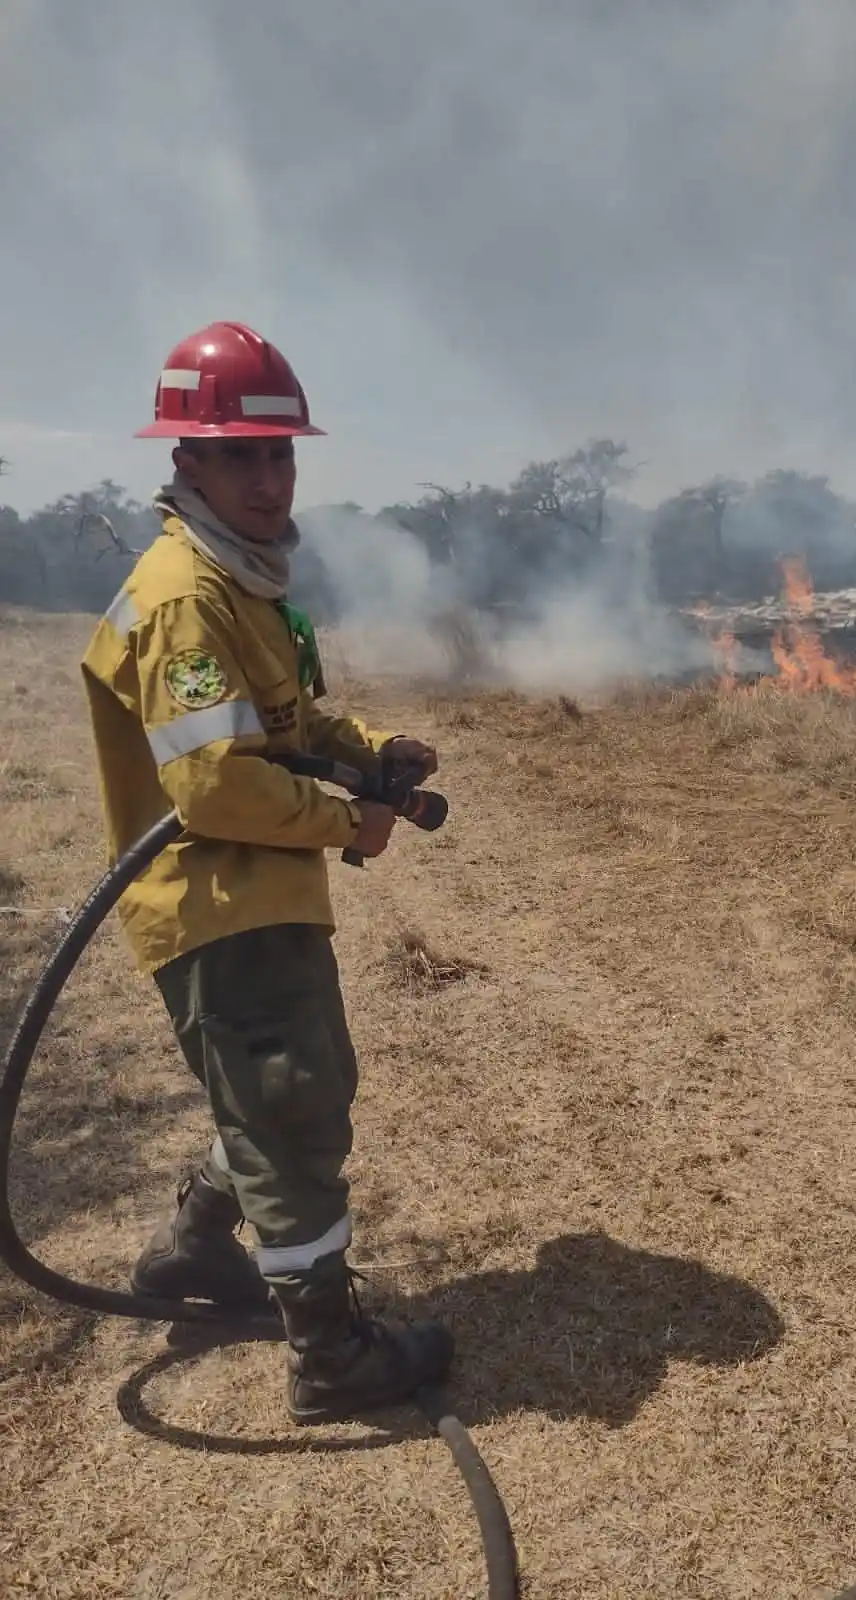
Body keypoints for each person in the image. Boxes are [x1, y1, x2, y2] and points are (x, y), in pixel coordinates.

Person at [80, 320, 453, 1424]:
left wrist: (368, 753)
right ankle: (330, 1356)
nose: (268, 475)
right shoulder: (188, 595)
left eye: (280, 452)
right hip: (218, 901)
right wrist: (350, 823)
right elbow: (213, 788)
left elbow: (288, 724)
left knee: (285, 1094)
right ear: (184, 463)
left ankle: (195, 1243)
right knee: (292, 1111)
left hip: (256, 892)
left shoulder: (243, 582)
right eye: (238, 454)